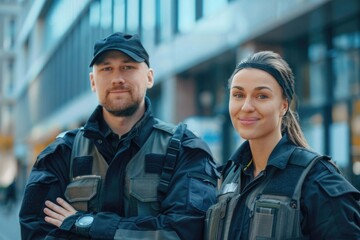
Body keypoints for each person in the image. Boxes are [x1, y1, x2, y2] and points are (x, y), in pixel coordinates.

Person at [19, 32, 219, 240]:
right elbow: (37, 233)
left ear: (149, 77)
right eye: (106, 69)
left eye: (128, 67)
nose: (117, 79)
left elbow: (184, 232)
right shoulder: (62, 153)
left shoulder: (185, 149)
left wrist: (86, 224)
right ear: (93, 81)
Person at [204, 51, 360, 239]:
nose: (246, 106)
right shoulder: (229, 176)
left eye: (261, 96)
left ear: (284, 105)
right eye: (238, 95)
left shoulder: (317, 179)